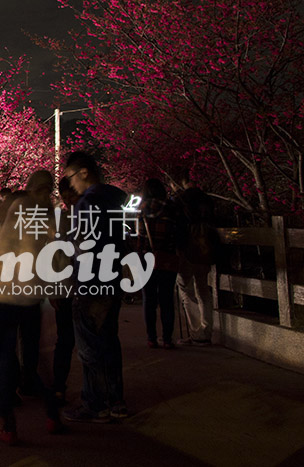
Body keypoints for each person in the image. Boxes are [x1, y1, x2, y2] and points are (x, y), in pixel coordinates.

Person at [0, 170, 64, 444]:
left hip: (6, 295)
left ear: (30, 186)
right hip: (32, 296)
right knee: (36, 357)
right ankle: (52, 413)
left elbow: (2, 248)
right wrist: (55, 290)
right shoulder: (50, 213)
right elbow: (56, 256)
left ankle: (8, 424)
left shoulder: (21, 206)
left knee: (4, 358)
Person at [61, 151, 129, 423]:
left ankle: (95, 403)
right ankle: (116, 400)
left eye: (71, 177)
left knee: (89, 346)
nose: (71, 184)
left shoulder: (87, 203)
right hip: (111, 280)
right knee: (109, 341)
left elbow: (82, 247)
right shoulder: (114, 201)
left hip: (90, 283)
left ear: (84, 172)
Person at [137, 178, 182, 348]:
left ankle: (151, 338)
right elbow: (176, 233)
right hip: (167, 257)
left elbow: (140, 236)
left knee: (148, 299)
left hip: (146, 258)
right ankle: (167, 339)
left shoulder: (142, 209)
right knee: (166, 299)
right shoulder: (171, 208)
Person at [175, 176, 218, 346]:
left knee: (185, 289)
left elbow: (177, 226)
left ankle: (195, 332)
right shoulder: (206, 200)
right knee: (203, 289)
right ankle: (206, 331)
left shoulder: (181, 200)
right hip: (205, 250)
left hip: (187, 250)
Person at [51, 176, 79, 404]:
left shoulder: (66, 217)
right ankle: (59, 386)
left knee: (67, 340)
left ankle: (59, 386)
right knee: (66, 339)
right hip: (70, 287)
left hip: (76, 287)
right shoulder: (62, 218)